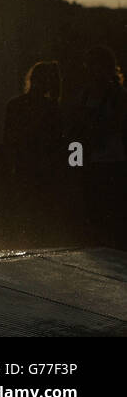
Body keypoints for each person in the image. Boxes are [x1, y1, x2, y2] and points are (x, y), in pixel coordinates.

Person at [2, 60, 64, 243]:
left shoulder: (15, 105)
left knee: (25, 214)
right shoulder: (52, 108)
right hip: (45, 167)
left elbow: (9, 139)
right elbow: (58, 141)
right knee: (42, 214)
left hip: (24, 164)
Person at [74, 45, 126, 248]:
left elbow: (117, 126)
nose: (89, 70)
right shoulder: (84, 94)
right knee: (92, 210)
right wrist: (74, 162)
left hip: (112, 161)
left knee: (110, 210)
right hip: (90, 161)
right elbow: (75, 131)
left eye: (93, 65)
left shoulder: (117, 95)